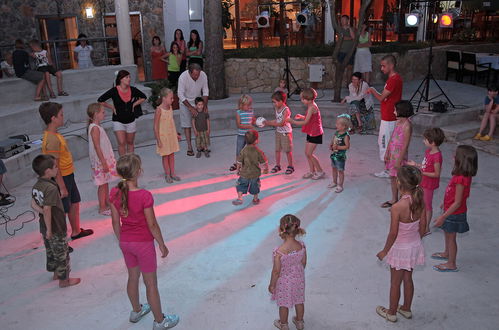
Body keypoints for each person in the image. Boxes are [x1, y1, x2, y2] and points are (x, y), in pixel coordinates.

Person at [109, 154, 180, 329]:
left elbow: (114, 222)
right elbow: (152, 224)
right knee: (151, 284)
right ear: (138, 172)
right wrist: (161, 243)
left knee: (132, 278)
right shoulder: (144, 196)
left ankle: (136, 311)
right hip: (143, 245)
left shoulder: (114, 192)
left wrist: (122, 241)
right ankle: (159, 321)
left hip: (126, 242)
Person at [376, 165, 426, 322]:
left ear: (399, 183)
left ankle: (391, 312)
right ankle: (406, 308)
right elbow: (423, 228)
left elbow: (393, 233)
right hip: (414, 245)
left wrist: (384, 251)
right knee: (408, 279)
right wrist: (414, 242)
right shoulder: (419, 201)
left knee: (395, 283)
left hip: (400, 249)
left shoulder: (397, 207)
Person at [39, 102, 94, 240]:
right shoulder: (51, 139)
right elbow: (54, 165)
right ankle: (61, 242)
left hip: (68, 173)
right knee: (61, 210)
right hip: (62, 177)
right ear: (53, 118)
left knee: (74, 202)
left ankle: (76, 231)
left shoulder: (55, 134)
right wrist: (62, 186)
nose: (63, 117)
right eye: (61, 115)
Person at [31, 155, 81, 288]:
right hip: (54, 227)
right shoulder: (51, 188)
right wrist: (50, 229)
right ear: (48, 171)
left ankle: (55, 273)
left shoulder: (37, 185)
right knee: (62, 253)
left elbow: (33, 204)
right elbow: (47, 209)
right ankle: (64, 280)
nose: (57, 169)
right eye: (55, 167)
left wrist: (44, 216)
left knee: (51, 250)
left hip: (44, 226)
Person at [432, 145, 478, 273]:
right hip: (451, 209)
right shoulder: (461, 175)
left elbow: (457, 202)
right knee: (447, 233)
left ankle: (451, 264)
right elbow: (453, 195)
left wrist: (443, 216)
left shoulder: (461, 178)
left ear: (460, 160)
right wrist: (444, 203)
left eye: (455, 154)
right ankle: (447, 253)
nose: (453, 155)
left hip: (454, 213)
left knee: (451, 237)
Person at [367, 54, 403, 178]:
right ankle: (390, 169)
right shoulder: (395, 79)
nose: (381, 68)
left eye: (383, 66)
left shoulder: (393, 80)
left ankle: (389, 170)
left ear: (391, 65)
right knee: (387, 142)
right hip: (389, 116)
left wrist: (372, 90)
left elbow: (381, 97)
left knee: (384, 143)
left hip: (389, 117)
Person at [269, 214, 307, 330]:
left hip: (284, 282)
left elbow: (276, 271)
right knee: (299, 300)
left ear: (281, 230)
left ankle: (283, 324)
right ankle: (299, 322)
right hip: (298, 279)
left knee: (283, 304)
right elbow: (304, 263)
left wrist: (272, 284)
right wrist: (297, 272)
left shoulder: (279, 252)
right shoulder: (301, 246)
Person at [98, 70, 147, 156]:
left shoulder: (133, 89)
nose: (129, 79)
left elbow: (144, 97)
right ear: (121, 79)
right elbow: (100, 100)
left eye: (129, 77)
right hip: (118, 120)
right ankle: (123, 163)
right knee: (121, 142)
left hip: (131, 119)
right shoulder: (114, 91)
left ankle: (131, 162)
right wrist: (112, 107)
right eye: (127, 77)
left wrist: (134, 104)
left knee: (130, 142)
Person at [408, 127, 445, 236]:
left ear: (432, 142)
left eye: (425, 139)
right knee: (421, 203)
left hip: (429, 185)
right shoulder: (428, 151)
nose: (423, 141)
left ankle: (426, 227)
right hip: (423, 182)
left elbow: (437, 174)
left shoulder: (437, 156)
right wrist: (416, 165)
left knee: (427, 206)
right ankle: (421, 223)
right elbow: (425, 166)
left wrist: (421, 172)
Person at [87, 103, 118, 216]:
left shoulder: (96, 127)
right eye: (103, 112)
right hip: (101, 162)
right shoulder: (95, 128)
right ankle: (102, 207)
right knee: (102, 184)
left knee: (105, 182)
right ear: (96, 114)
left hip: (103, 160)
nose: (104, 114)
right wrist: (104, 162)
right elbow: (97, 146)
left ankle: (106, 202)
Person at [287, 88, 325, 180]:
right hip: (311, 132)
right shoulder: (311, 106)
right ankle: (312, 171)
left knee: (309, 153)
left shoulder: (312, 107)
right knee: (307, 153)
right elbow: (310, 118)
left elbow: (305, 122)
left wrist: (293, 121)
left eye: (302, 99)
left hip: (315, 133)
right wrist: (302, 116)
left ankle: (320, 171)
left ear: (308, 99)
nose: (301, 101)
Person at [382, 101, 413, 209]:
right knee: (392, 177)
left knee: (400, 180)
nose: (394, 112)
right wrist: (387, 152)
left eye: (395, 110)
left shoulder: (407, 126)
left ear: (402, 111)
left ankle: (402, 202)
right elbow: (392, 138)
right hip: (392, 155)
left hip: (399, 156)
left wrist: (399, 160)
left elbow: (405, 145)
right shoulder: (398, 122)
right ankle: (394, 199)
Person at [177, 63, 209, 156]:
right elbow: (180, 94)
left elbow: (205, 91)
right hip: (185, 103)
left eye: (198, 74)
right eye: (195, 75)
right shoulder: (183, 77)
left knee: (200, 124)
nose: (197, 77)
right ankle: (189, 147)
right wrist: (190, 108)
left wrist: (204, 105)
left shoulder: (203, 75)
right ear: (189, 72)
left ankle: (201, 145)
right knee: (187, 125)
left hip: (198, 102)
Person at [233, 130, 269, 206]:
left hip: (244, 173)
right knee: (255, 186)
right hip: (255, 174)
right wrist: (266, 169)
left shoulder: (243, 150)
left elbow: (239, 161)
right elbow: (264, 161)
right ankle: (255, 199)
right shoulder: (258, 151)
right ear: (256, 141)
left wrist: (238, 169)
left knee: (241, 185)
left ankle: (239, 198)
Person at [154, 88, 181, 183]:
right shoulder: (159, 110)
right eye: (171, 98)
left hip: (171, 136)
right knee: (165, 156)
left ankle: (173, 173)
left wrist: (176, 134)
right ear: (164, 98)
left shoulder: (170, 108)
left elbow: (171, 122)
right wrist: (158, 140)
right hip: (163, 137)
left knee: (172, 155)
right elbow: (156, 126)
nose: (173, 100)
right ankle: (167, 174)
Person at [264, 91, 294, 175]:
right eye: (273, 102)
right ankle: (277, 165)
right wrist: (267, 122)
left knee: (287, 150)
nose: (274, 104)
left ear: (281, 101)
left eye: (275, 102)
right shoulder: (277, 108)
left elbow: (281, 123)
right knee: (277, 150)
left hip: (286, 133)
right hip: (278, 132)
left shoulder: (286, 110)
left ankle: (291, 166)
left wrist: (269, 123)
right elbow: (277, 120)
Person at [229, 94, 255, 171]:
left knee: (250, 150)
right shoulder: (239, 112)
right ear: (241, 105)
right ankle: (237, 165)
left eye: (250, 104)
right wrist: (249, 126)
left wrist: (258, 121)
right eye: (247, 105)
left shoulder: (251, 111)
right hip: (241, 135)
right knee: (239, 151)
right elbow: (239, 125)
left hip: (250, 135)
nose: (249, 106)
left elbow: (252, 120)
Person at [329, 114, 351, 193]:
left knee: (340, 171)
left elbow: (347, 146)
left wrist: (337, 147)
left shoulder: (345, 136)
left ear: (344, 126)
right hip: (334, 155)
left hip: (340, 156)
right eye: (336, 123)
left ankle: (340, 185)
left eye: (338, 124)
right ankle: (334, 182)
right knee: (333, 169)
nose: (336, 125)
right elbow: (333, 138)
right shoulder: (337, 132)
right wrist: (331, 144)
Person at [337, 15, 356, 86]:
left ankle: (349, 84)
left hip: (350, 51)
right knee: (340, 68)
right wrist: (350, 38)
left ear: (347, 20)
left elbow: (354, 37)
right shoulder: (339, 29)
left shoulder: (351, 29)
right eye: (341, 20)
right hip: (341, 51)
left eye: (344, 19)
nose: (342, 21)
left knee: (350, 68)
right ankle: (338, 84)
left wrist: (349, 29)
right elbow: (341, 38)